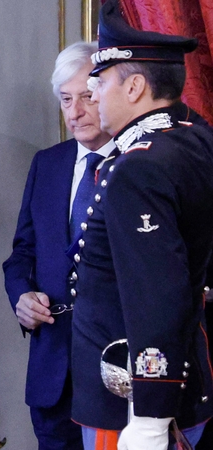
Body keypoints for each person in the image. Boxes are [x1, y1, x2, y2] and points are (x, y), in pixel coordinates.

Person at [71, 1, 213, 448]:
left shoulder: (139, 167)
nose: (92, 94)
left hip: (133, 402)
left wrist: (150, 414)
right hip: (190, 383)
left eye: (101, 81)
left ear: (134, 87)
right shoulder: (193, 137)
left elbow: (157, 296)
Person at [2, 41, 114, 450]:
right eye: (66, 99)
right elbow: (21, 255)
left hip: (114, 371)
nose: (75, 110)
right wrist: (22, 297)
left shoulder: (139, 163)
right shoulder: (47, 164)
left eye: (87, 96)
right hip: (52, 371)